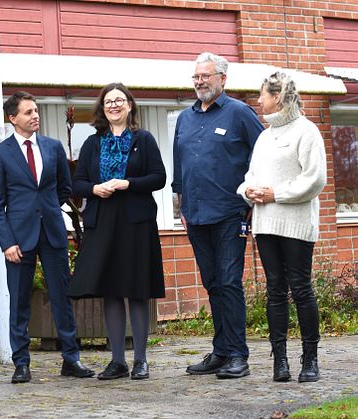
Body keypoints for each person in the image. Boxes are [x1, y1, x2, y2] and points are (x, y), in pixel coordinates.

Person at [0, 91, 95, 384]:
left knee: (62, 298)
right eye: (28, 112)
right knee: (19, 301)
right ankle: (21, 363)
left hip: (52, 233)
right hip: (18, 239)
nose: (35, 115)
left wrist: (46, 208)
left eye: (36, 110)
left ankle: (71, 358)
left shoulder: (53, 147)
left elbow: (64, 187)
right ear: (13, 118)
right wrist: (7, 242)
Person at [172, 52, 265, 379]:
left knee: (228, 282)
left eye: (205, 76)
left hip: (229, 213)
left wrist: (253, 197)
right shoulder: (185, 118)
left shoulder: (240, 113)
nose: (199, 82)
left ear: (222, 79)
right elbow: (180, 166)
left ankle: (238, 354)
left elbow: (263, 154)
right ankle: (221, 351)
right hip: (195, 216)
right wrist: (180, 206)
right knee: (212, 283)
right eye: (196, 77)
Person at [67, 83, 167, 380]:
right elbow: (77, 183)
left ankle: (140, 360)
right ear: (102, 108)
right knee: (110, 290)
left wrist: (128, 183)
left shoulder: (144, 139)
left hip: (136, 222)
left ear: (130, 106)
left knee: (136, 289)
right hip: (103, 221)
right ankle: (117, 362)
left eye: (119, 100)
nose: (114, 105)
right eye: (108, 101)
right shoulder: (92, 143)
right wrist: (95, 188)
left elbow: (159, 177)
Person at [237, 72, 326, 383]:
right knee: (274, 290)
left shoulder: (307, 131)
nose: (259, 100)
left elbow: (314, 179)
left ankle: (310, 360)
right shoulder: (264, 137)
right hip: (266, 223)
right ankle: (281, 362)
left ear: (279, 96)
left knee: (301, 289)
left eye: (263, 94)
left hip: (296, 223)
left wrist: (276, 194)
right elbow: (252, 175)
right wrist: (247, 190)